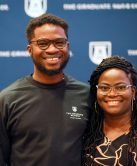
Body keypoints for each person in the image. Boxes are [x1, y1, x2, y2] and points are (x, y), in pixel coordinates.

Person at [0, 13, 91, 166]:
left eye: (59, 42)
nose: (52, 49)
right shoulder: (8, 100)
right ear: (30, 49)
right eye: (43, 43)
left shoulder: (86, 95)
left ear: (67, 46)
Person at [82, 56, 137, 166]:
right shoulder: (85, 132)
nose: (112, 94)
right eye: (104, 87)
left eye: (121, 87)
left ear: (133, 91)